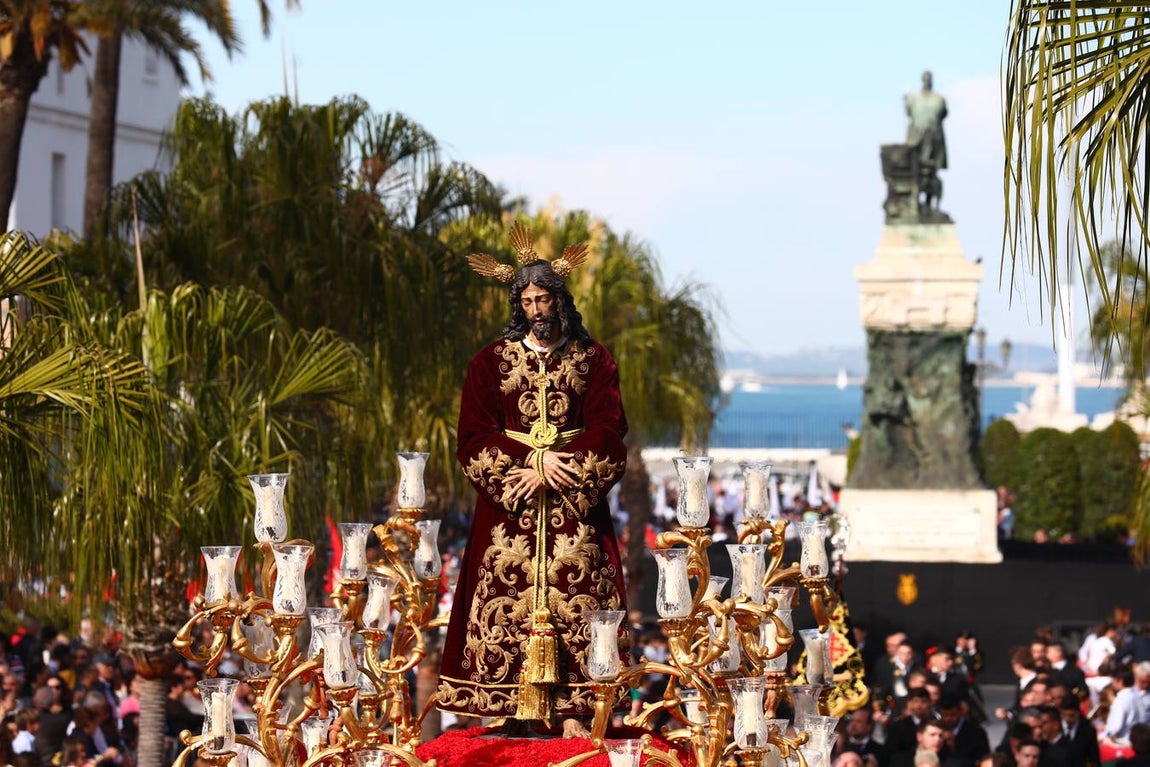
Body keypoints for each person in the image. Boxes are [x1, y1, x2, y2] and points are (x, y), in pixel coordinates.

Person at [437, 224, 629, 738]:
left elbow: (610, 430)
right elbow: (472, 436)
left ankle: (576, 709)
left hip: (573, 507)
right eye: (526, 302)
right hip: (512, 507)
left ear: (560, 300)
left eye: (543, 300)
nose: (536, 310)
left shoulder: (593, 359)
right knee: (503, 591)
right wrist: (526, 466)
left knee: (580, 596)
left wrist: (559, 465)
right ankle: (508, 702)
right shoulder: (490, 362)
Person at [904, 70, 948, 212]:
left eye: (929, 79)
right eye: (925, 79)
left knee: (930, 172)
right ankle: (915, 203)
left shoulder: (938, 99)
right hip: (917, 140)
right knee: (915, 171)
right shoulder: (914, 99)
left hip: (932, 139)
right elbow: (909, 112)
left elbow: (943, 113)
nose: (927, 82)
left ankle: (929, 204)